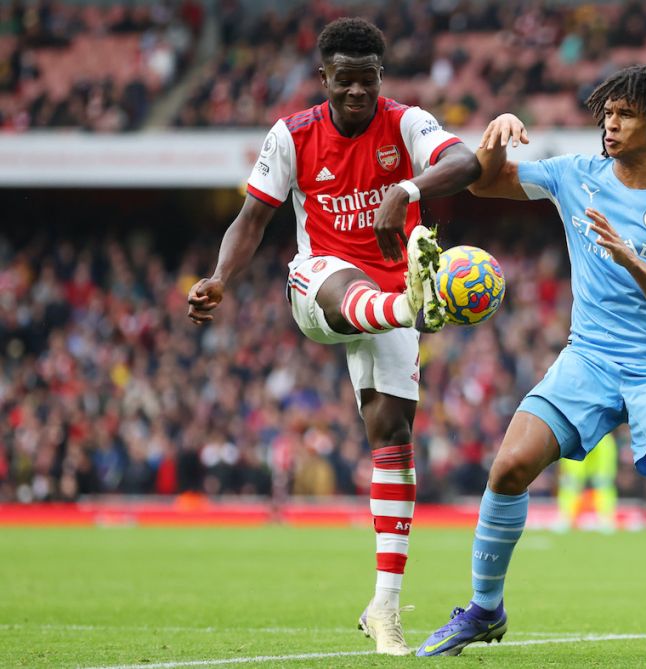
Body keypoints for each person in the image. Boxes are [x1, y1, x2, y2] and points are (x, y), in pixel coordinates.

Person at [186, 17, 480, 656]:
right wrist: (218, 278)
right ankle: (407, 305)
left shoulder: (404, 123)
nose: (356, 94)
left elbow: (466, 160)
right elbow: (251, 219)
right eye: (344, 82)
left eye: (367, 82)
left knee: (393, 436)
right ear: (324, 78)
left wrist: (406, 189)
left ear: (381, 77)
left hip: (397, 287)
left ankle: (386, 605)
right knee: (342, 280)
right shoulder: (291, 137)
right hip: (319, 286)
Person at [417, 65, 646, 661]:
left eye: (625, 115)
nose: (610, 125)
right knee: (508, 466)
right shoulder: (574, 177)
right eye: (606, 114)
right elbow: (484, 184)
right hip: (587, 358)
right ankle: (485, 609)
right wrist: (494, 135)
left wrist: (630, 258)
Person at [556, 432, 618, 532]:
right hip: (577, 437)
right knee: (571, 481)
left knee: (603, 481)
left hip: (601, 436)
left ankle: (606, 518)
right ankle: (565, 517)